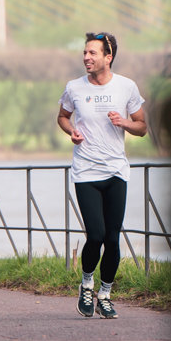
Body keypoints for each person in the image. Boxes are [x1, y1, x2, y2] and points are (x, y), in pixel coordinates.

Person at [56, 31, 147, 320]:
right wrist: (72, 130)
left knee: (112, 238)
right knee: (94, 235)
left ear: (108, 57)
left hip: (116, 171)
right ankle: (86, 283)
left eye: (92, 53)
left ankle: (105, 294)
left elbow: (142, 126)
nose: (86, 57)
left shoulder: (126, 87)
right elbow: (62, 116)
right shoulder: (74, 87)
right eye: (85, 52)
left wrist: (124, 122)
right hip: (85, 171)